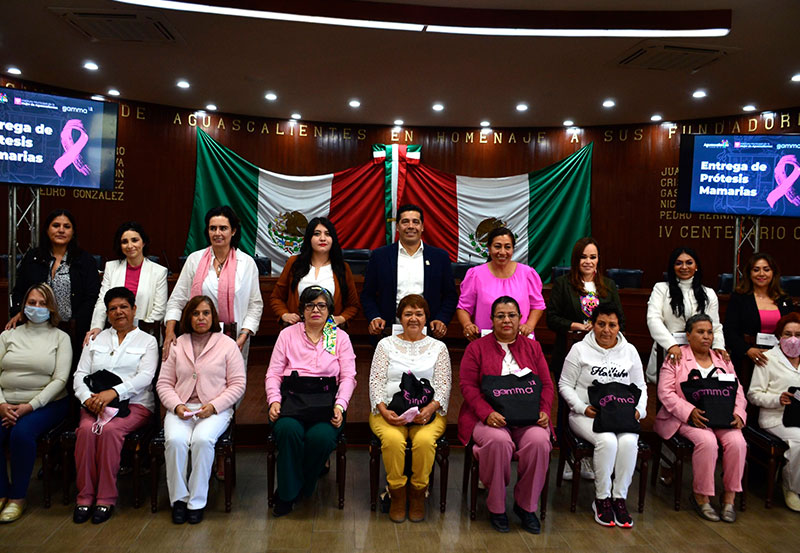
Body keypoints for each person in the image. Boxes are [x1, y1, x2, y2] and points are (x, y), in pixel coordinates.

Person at [458, 296, 553, 534]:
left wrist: (544, 410)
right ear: (491, 320)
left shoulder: (533, 348)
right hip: (489, 418)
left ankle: (526, 506)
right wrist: (487, 413)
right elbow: (467, 387)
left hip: (528, 417)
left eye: (511, 315)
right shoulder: (476, 348)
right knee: (498, 441)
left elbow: (546, 385)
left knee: (539, 441)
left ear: (520, 318)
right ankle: (497, 506)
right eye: (500, 316)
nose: (506, 320)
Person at [265, 286, 356, 517]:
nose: (316, 310)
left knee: (321, 437)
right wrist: (274, 400)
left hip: (327, 403)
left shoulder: (339, 337)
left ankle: (296, 486)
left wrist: (340, 405)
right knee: (287, 430)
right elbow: (273, 373)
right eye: (310, 305)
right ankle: (288, 495)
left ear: (329, 311)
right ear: (302, 310)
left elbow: (348, 377)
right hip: (292, 401)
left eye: (321, 305)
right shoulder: (288, 335)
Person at [72, 287, 158, 524]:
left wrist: (114, 393)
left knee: (109, 431)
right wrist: (87, 398)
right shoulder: (96, 339)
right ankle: (84, 496)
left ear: (134, 309)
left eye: (123, 307)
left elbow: (145, 377)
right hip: (94, 404)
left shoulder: (148, 341)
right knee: (85, 431)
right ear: (107, 313)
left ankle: (106, 498)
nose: (119, 312)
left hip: (134, 405)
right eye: (113, 309)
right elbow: (80, 374)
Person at [156, 296, 245, 524]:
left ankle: (196, 502)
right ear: (188, 317)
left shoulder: (227, 344)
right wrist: (176, 406)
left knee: (202, 441)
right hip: (181, 407)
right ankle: (179, 500)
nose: (201, 318)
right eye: (195, 313)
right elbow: (164, 383)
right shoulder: (177, 344)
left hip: (215, 408)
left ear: (213, 316)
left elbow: (237, 384)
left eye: (206, 313)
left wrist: (214, 406)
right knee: (175, 441)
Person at [559, 303, 646, 527]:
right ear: (593, 325)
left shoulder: (630, 351)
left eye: (612, 325)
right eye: (601, 324)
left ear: (619, 327)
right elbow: (565, 384)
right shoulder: (579, 349)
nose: (606, 330)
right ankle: (602, 499)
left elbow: (641, 386)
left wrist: (640, 411)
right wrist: (581, 407)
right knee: (607, 441)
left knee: (628, 442)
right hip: (588, 414)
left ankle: (619, 498)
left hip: (622, 414)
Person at [654, 314, 747, 523]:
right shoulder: (676, 357)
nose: (706, 336)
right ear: (688, 335)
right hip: (687, 418)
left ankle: (729, 498)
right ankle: (701, 497)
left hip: (722, 416)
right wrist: (689, 412)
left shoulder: (722, 359)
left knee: (737, 442)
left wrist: (739, 413)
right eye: (700, 332)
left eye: (709, 332)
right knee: (707, 441)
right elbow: (665, 393)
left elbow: (738, 391)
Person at [546, 237, 624, 480]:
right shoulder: (562, 284)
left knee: (598, 404)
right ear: (575, 259)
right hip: (569, 354)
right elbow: (552, 318)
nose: (588, 261)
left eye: (593, 257)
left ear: (598, 260)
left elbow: (620, 319)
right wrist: (576, 325)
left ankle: (591, 458)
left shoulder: (608, 285)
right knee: (568, 405)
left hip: (602, 360)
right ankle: (567, 457)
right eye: (583, 257)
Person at [368, 294, 451, 523]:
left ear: (426, 318)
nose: (413, 318)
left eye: (419, 314)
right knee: (393, 440)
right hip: (389, 411)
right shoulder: (385, 345)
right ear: (399, 318)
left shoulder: (439, 347)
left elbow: (444, 385)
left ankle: (417, 494)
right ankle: (396, 493)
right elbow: (376, 381)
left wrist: (431, 408)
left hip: (428, 413)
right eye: (408, 314)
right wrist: (383, 410)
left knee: (424, 441)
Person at [0, 284, 71, 523]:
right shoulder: (8, 335)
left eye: (43, 303)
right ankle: (1, 492)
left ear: (51, 308)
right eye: (32, 303)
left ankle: (17, 497)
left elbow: (60, 380)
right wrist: (2, 405)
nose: (37, 308)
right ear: (23, 306)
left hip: (46, 404)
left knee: (21, 434)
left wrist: (30, 406)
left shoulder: (60, 337)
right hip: (7, 403)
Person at [164, 206, 263, 362]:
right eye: (213, 228)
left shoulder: (247, 263)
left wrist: (244, 335)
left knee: (232, 377)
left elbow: (255, 305)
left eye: (223, 228)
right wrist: (169, 331)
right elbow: (177, 300)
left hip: (235, 340)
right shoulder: (194, 260)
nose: (217, 233)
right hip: (197, 337)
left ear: (233, 231)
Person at [361, 204, 457, 340]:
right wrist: (374, 317)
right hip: (388, 331)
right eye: (405, 222)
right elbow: (367, 295)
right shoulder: (380, 256)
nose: (411, 226)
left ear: (422, 227)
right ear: (398, 227)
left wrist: (441, 319)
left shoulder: (439, 257)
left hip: (429, 333)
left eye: (415, 222)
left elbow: (450, 295)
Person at [7, 209, 100, 343]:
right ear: (47, 230)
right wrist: (18, 311)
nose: (61, 230)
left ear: (73, 232)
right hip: (35, 326)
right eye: (56, 225)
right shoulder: (33, 257)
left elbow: (92, 297)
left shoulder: (85, 260)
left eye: (66, 227)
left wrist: (76, 322)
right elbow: (20, 290)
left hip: (72, 330)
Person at [646, 246, 726, 383]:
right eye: (679, 263)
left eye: (689, 263)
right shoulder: (661, 289)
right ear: (672, 267)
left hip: (700, 353)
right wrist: (671, 345)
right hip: (669, 351)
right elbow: (653, 320)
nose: (684, 267)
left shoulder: (709, 293)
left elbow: (715, 326)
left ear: (696, 266)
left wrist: (719, 346)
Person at [747, 312, 800, 512]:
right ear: (779, 336)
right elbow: (754, 395)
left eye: (798, 334)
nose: (793, 339)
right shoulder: (767, 359)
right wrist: (778, 399)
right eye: (788, 334)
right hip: (776, 417)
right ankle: (792, 487)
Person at [85, 222, 168, 344]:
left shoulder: (159, 272)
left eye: (134, 240)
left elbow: (159, 310)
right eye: (124, 242)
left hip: (145, 335)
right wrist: (97, 327)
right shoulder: (111, 267)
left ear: (143, 242)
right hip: (113, 332)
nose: (130, 246)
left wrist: (134, 331)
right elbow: (102, 301)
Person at [457, 227, 546, 340]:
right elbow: (463, 307)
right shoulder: (475, 274)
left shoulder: (527, 273)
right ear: (489, 248)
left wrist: (529, 325)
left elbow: (538, 306)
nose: (502, 252)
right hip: (486, 341)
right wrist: (467, 325)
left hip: (521, 340)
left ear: (513, 249)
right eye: (497, 246)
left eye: (507, 247)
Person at [270, 217, 360, 327]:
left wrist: (341, 318)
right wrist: (284, 314)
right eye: (317, 234)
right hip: (297, 329)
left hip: (329, 332)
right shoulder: (294, 263)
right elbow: (276, 298)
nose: (323, 238)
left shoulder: (342, 268)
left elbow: (353, 305)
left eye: (327, 234)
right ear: (309, 238)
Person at [724, 253, 794, 371]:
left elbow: (792, 329)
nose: (761, 274)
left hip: (780, 357)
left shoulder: (784, 299)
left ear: (773, 273)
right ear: (749, 273)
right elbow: (729, 331)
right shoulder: (739, 298)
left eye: (766, 269)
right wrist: (747, 350)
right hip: (747, 358)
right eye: (756, 270)